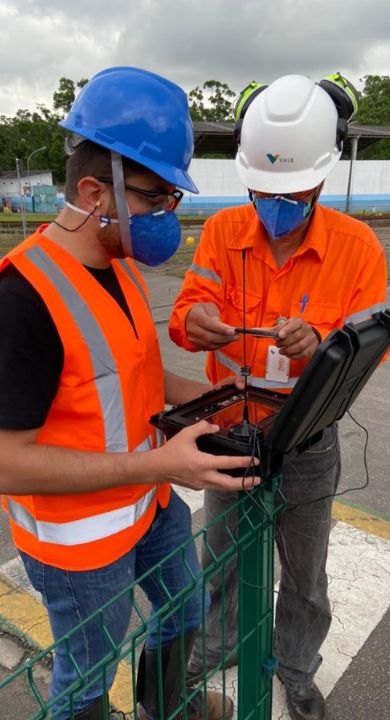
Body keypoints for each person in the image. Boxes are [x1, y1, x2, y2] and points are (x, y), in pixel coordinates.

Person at [0, 66, 256, 720]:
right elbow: (7, 462)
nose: (169, 214)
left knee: (184, 611)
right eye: (156, 197)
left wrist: (213, 394)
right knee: (88, 676)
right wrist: (159, 463)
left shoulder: (118, 265)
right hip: (79, 542)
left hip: (149, 500)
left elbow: (129, 372)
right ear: (95, 192)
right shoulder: (23, 300)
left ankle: (166, 704)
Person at [168, 73, 388, 720]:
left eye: (291, 194)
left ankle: (295, 667)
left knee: (305, 571)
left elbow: (365, 351)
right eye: (263, 192)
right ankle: (213, 649)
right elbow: (185, 310)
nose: (276, 206)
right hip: (232, 434)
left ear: (321, 179)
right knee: (223, 559)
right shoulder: (222, 232)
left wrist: (319, 344)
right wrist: (195, 321)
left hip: (307, 440)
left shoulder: (358, 249)